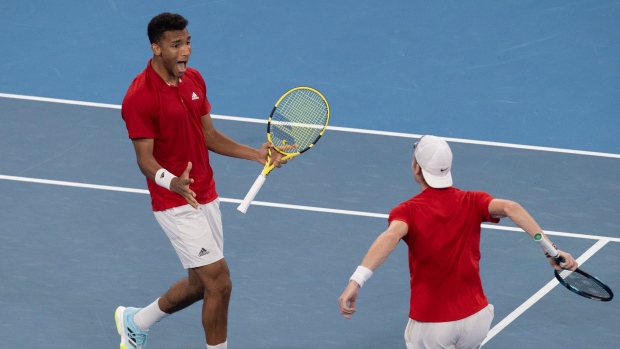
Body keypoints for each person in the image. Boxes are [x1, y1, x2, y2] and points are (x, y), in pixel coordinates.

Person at [116, 12, 287, 349]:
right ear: (156, 48)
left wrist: (255, 154)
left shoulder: (194, 80)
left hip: (206, 193)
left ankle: (135, 321)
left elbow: (208, 135)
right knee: (220, 283)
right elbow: (145, 160)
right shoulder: (139, 97)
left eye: (188, 42)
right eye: (176, 45)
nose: (186, 51)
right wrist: (172, 182)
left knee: (200, 284)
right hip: (174, 201)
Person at [337, 135, 579, 349]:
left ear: (416, 168)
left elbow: (390, 236)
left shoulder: (407, 211)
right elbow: (510, 207)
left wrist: (357, 280)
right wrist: (551, 250)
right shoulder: (472, 201)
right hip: (476, 319)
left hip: (432, 325)